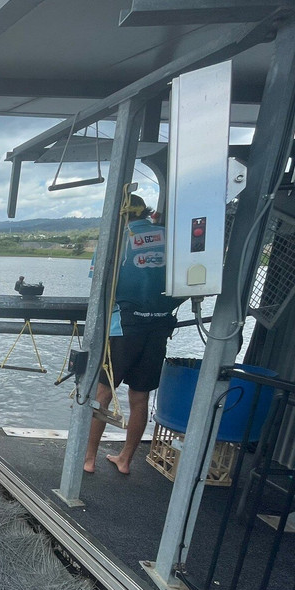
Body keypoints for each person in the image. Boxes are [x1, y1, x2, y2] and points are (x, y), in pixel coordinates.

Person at [83, 194, 180, 474]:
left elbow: (98, 286)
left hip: (123, 327)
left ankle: (88, 459)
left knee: (102, 393)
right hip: (159, 326)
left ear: (119, 214)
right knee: (140, 397)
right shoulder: (169, 238)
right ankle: (125, 459)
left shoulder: (115, 241)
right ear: (145, 212)